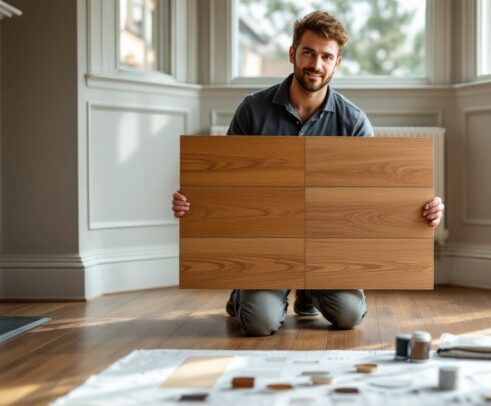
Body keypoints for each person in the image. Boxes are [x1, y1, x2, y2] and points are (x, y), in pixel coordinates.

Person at [172, 11, 444, 337]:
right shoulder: (252, 110)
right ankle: (244, 294)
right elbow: (225, 185)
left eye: (326, 56)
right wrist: (192, 202)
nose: (316, 64)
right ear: (292, 54)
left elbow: (376, 198)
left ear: (337, 63)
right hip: (266, 247)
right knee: (258, 323)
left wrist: (423, 210)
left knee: (348, 316)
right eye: (308, 52)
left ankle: (308, 291)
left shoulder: (354, 122)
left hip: (329, 250)